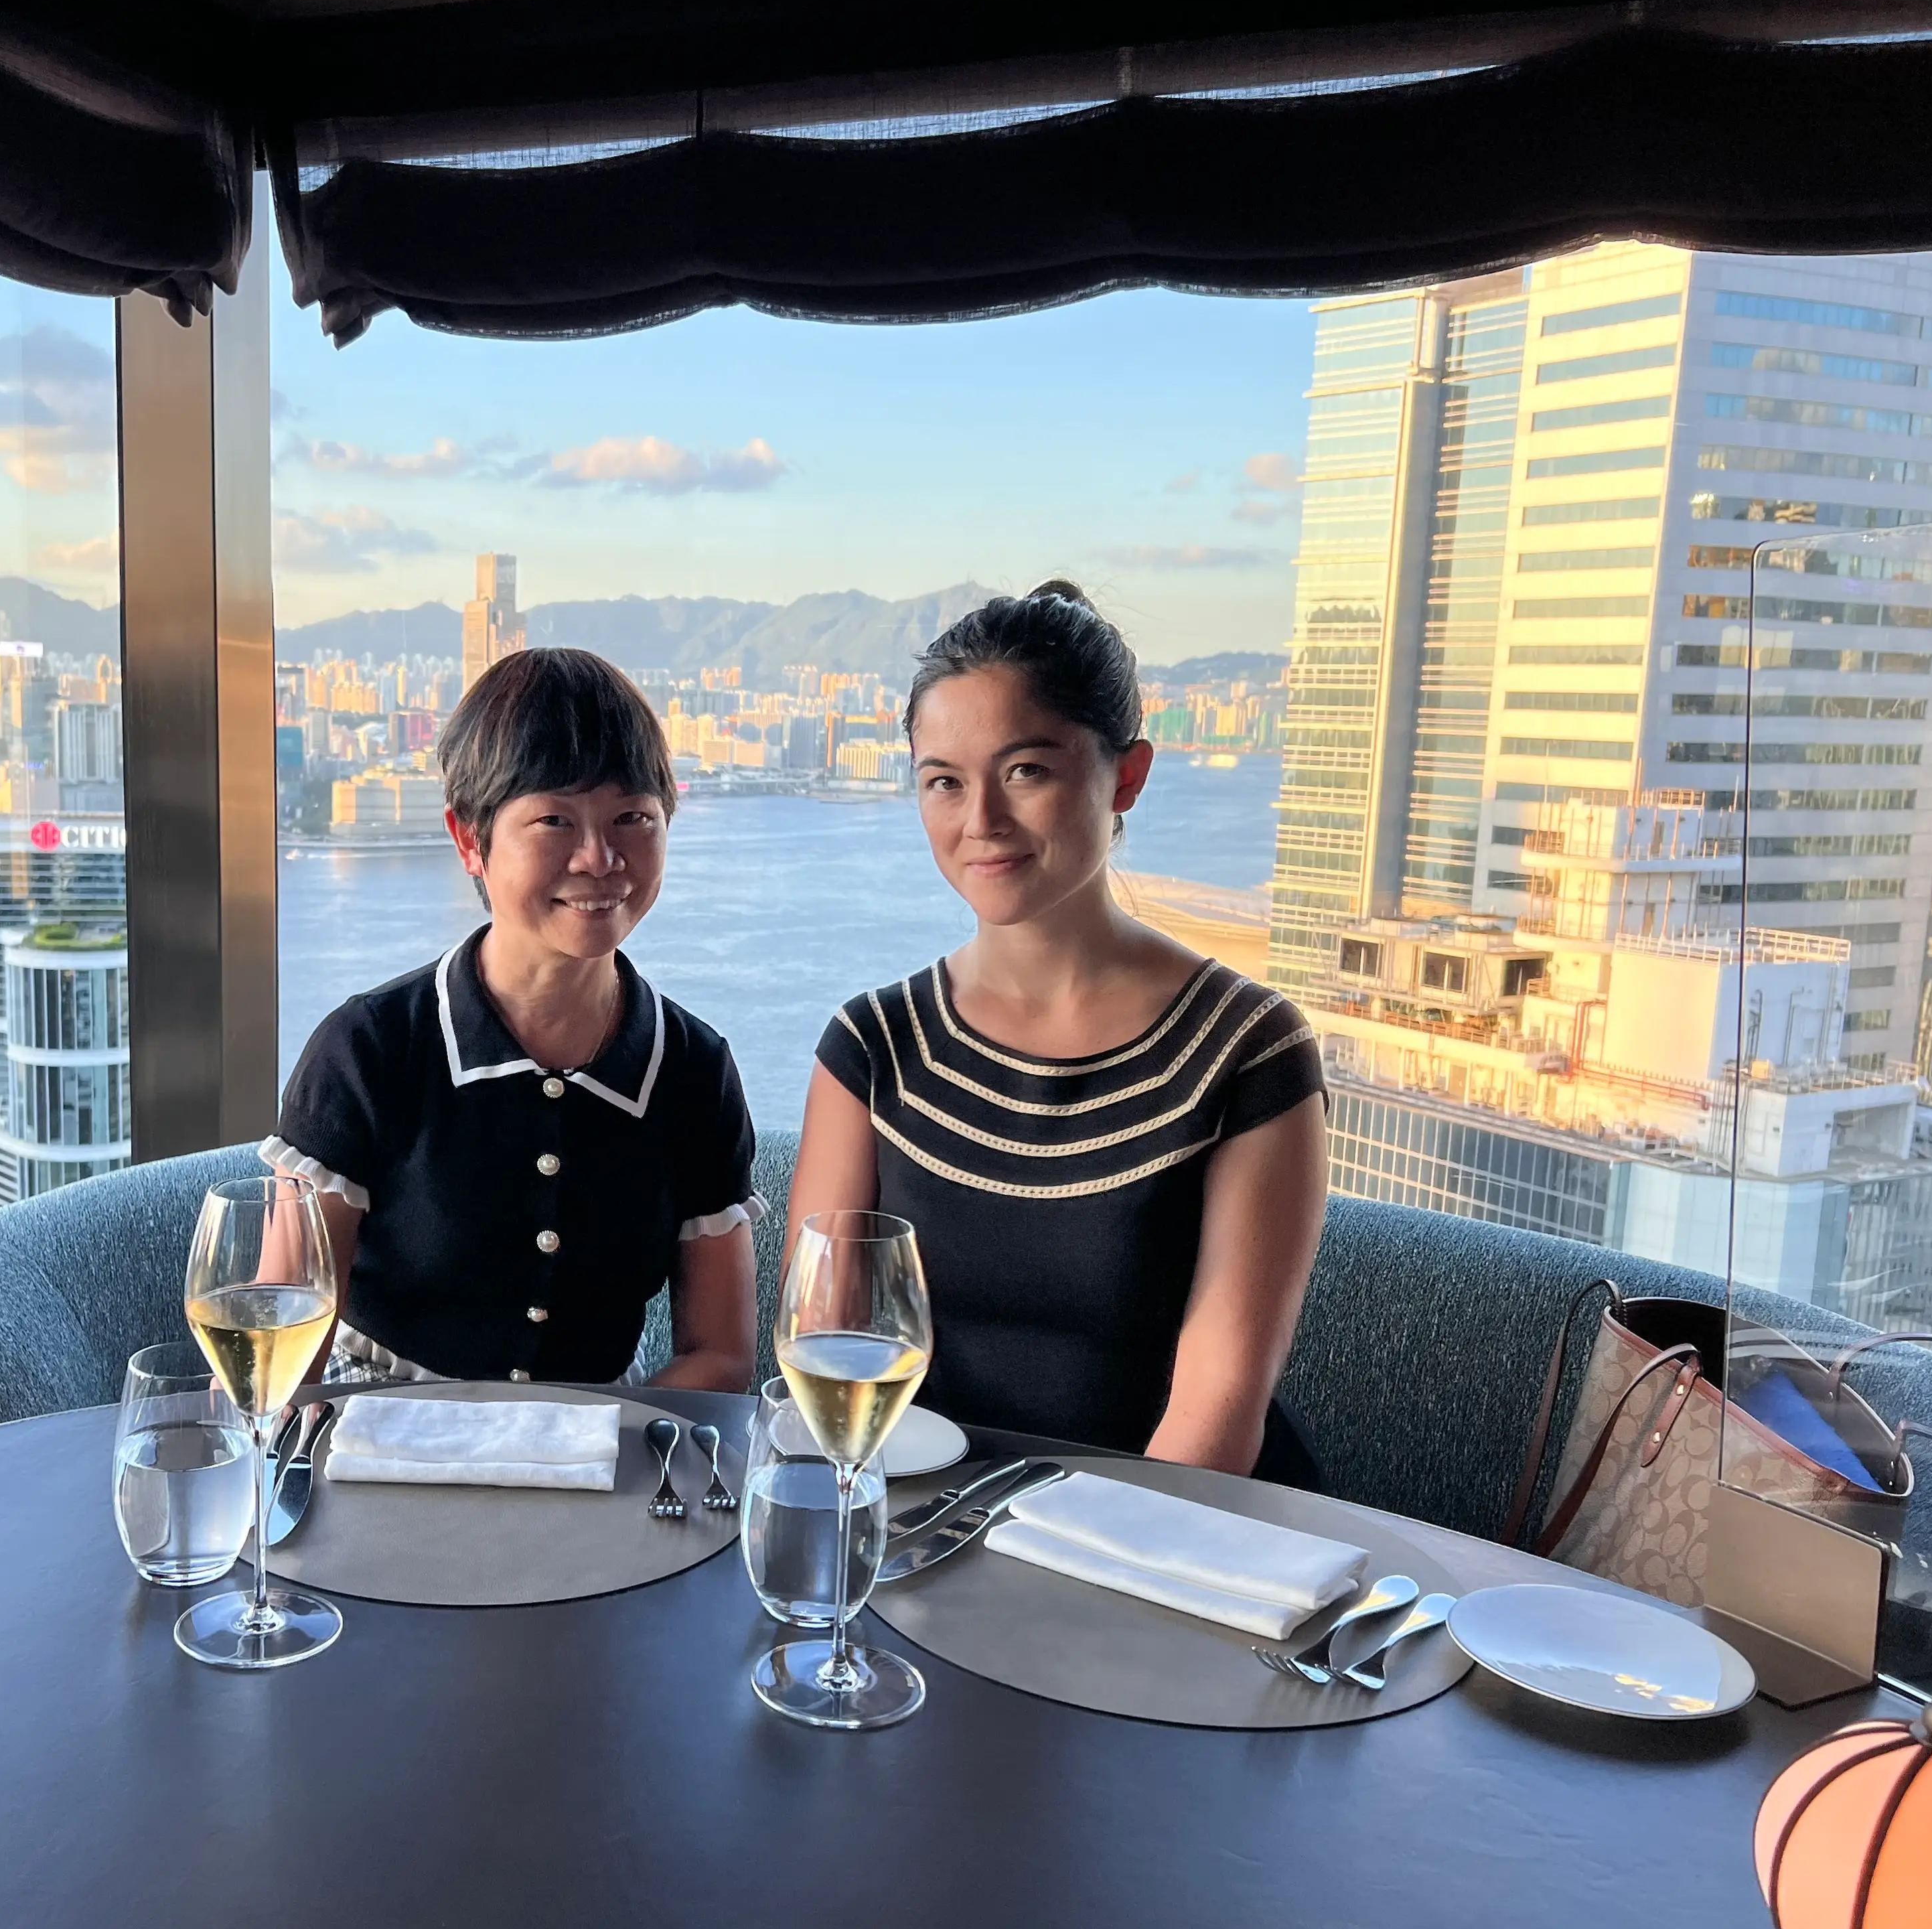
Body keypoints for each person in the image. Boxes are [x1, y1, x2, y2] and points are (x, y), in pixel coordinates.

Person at [785, 581, 1328, 1478]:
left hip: (1171, 1546)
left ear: (1128, 775)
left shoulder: (1247, 1051)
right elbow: (828, 1357)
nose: (981, 821)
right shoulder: (873, 1048)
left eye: (1026, 770)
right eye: (943, 783)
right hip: (933, 1535)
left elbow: (1216, 1421)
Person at [264, 648, 760, 1392]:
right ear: (470, 839)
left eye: (633, 818)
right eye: (555, 820)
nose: (600, 858)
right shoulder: (370, 1051)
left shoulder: (692, 1070)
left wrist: (600, 1454)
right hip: (376, 1440)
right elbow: (284, 1347)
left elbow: (720, 1357)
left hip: (600, 1455)